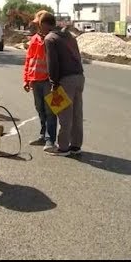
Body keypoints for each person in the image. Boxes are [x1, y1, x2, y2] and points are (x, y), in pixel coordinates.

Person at [41, 12, 85, 156]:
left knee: (64, 114)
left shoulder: (50, 38)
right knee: (77, 114)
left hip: (65, 80)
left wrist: (54, 83)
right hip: (79, 76)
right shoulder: (69, 36)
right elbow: (77, 56)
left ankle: (63, 147)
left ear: (44, 24)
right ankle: (76, 145)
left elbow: (52, 64)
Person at [23, 10, 57, 151]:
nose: (37, 26)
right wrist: (26, 79)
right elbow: (28, 60)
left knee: (51, 111)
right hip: (35, 80)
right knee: (40, 109)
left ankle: (50, 140)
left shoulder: (52, 39)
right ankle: (43, 135)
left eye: (39, 24)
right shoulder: (34, 39)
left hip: (49, 81)